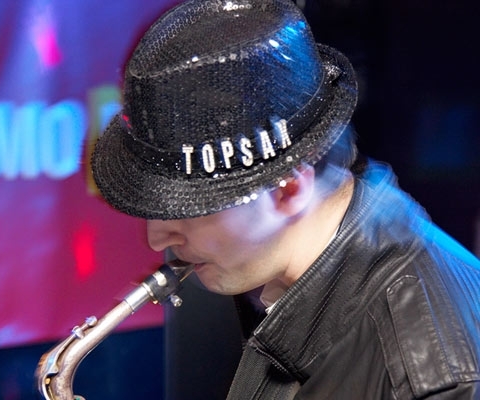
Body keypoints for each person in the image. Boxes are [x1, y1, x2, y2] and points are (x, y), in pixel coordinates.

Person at [91, 0, 480, 398]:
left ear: (288, 188)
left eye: (186, 209)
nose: (157, 239)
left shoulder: (431, 381)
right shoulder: (271, 275)